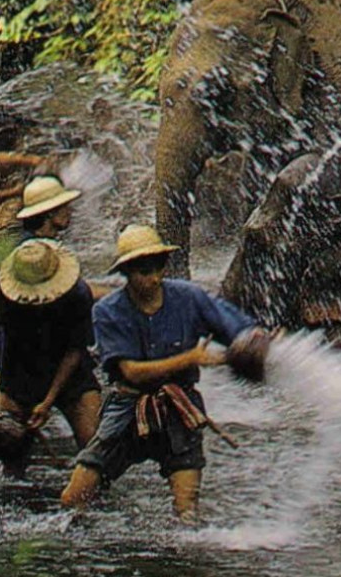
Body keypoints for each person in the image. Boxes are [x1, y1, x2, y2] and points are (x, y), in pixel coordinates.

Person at [61, 224, 260, 523]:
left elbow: (237, 329)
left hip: (179, 408)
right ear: (126, 272)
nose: (154, 278)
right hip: (127, 409)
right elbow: (131, 372)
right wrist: (190, 358)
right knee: (73, 498)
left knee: (187, 512)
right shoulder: (108, 312)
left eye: (159, 267)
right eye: (144, 271)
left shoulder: (189, 297)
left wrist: (257, 341)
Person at [0, 239, 101, 477]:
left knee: (94, 448)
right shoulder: (0, 291)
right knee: (9, 444)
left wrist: (48, 400)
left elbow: (75, 350)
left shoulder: (78, 294)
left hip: (70, 372)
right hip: (19, 371)